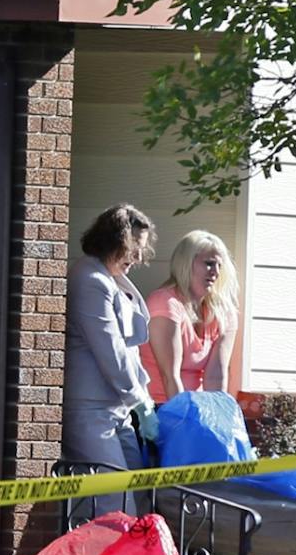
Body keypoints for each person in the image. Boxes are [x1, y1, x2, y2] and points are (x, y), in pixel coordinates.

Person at [63, 204, 159, 504]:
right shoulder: (90, 279)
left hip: (116, 409)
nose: (139, 257)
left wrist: (141, 400)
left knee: (141, 498)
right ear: (115, 241)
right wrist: (139, 401)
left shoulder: (108, 276)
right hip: (91, 411)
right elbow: (112, 350)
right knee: (115, 506)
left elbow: (129, 348)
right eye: (134, 248)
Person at [141, 230, 240, 402]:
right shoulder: (165, 302)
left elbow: (216, 377)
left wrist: (215, 418)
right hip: (159, 405)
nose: (215, 272)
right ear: (186, 264)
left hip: (197, 407)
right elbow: (169, 376)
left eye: (219, 266)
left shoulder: (223, 312)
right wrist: (184, 422)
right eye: (209, 264)